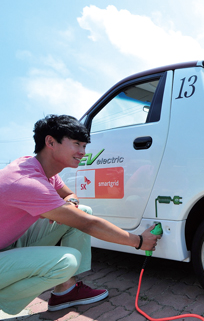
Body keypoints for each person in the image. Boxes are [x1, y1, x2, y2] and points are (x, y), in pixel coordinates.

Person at [0, 114, 161, 315]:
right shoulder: (27, 182)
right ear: (50, 141)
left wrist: (68, 204)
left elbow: (69, 195)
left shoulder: (40, 169)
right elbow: (88, 225)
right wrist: (138, 241)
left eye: (84, 146)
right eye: (77, 144)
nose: (83, 152)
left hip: (9, 245)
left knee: (80, 210)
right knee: (67, 260)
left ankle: (65, 291)